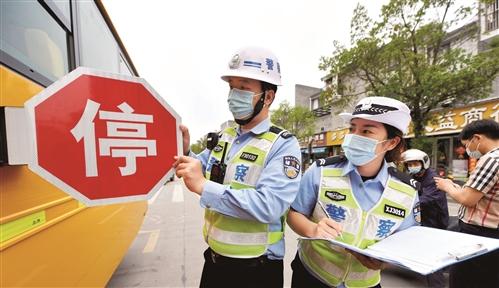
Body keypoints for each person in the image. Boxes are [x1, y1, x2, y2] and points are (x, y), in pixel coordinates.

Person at [174, 46, 302, 288]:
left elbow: (269, 205)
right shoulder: (225, 136)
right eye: (232, 87)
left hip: (257, 271)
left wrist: (204, 186)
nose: (234, 94)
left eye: (244, 87)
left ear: (268, 96)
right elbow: (198, 166)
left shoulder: (283, 145)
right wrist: (184, 150)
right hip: (214, 262)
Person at [288, 96, 421, 288]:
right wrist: (313, 229)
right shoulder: (321, 171)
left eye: (366, 130)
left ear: (391, 143)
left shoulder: (407, 190)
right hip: (312, 276)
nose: (354, 136)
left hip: (366, 284)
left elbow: (405, 242)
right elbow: (294, 213)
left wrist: (385, 262)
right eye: (352, 129)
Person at [434, 119, 499, 288]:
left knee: (464, 279)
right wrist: (459, 189)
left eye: (467, 144)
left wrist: (447, 186)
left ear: (477, 138)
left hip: (479, 233)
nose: (468, 150)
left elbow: (467, 199)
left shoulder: (491, 159)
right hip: (492, 232)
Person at [402, 148, 449, 288]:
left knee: (431, 255)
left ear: (424, 163)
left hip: (435, 222)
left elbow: (423, 200)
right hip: (422, 219)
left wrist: (403, 203)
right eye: (409, 164)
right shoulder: (415, 177)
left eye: (415, 163)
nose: (412, 166)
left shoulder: (433, 179)